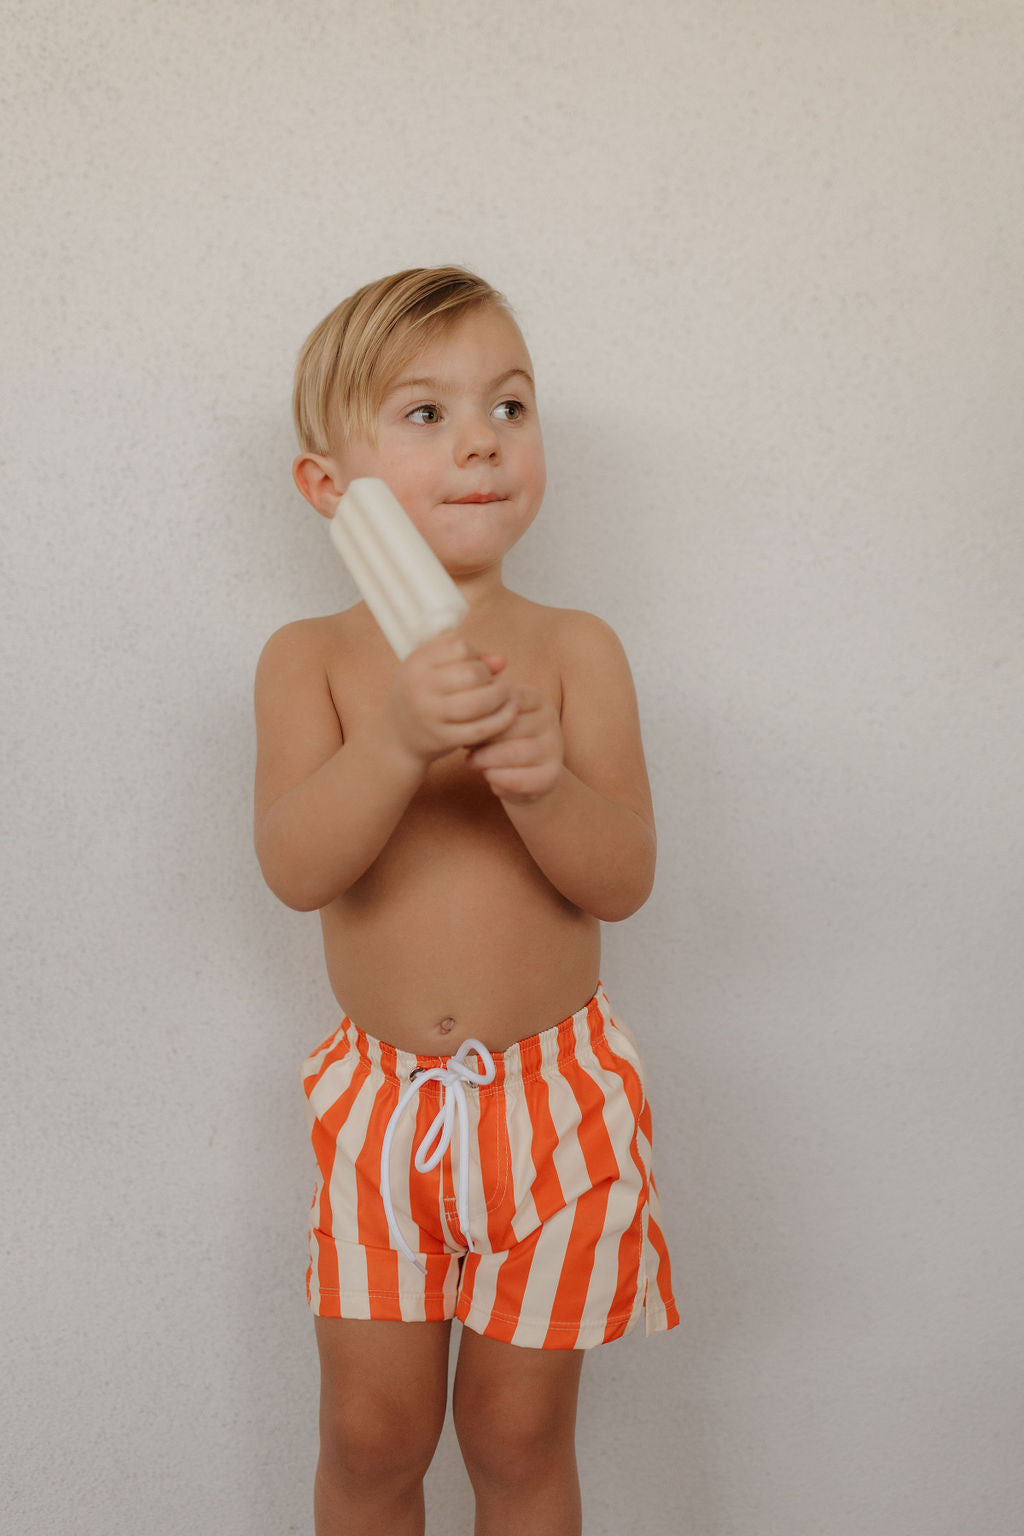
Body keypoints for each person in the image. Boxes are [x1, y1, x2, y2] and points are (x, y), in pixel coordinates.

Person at [253, 266, 679, 1536]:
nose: (482, 437)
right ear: (330, 487)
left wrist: (545, 785)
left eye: (510, 403)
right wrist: (390, 743)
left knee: (516, 1431)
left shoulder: (576, 649)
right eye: (423, 414)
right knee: (371, 1433)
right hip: (385, 1114)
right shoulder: (309, 662)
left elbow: (625, 879)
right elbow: (294, 869)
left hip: (556, 1103)